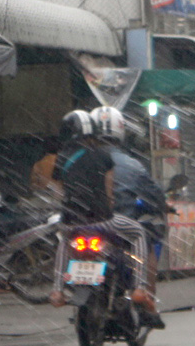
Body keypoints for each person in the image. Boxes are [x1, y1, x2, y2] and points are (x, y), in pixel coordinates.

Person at [49, 110, 154, 316]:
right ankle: (140, 287)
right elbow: (109, 194)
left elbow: (57, 194)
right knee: (139, 232)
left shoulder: (61, 159)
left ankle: (57, 290)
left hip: (72, 223)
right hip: (102, 221)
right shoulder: (104, 156)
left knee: (64, 242)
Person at [90, 106, 167, 329]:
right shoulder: (132, 164)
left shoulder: (81, 159)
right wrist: (163, 204)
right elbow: (155, 195)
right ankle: (144, 297)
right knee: (148, 245)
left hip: (83, 223)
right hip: (120, 226)